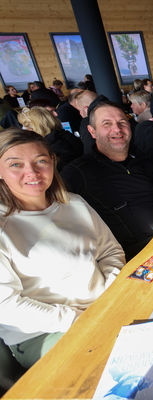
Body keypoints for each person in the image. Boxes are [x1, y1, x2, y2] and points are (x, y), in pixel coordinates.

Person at [0, 128, 124, 368]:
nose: (32, 172)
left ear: (52, 162)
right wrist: (80, 318)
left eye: (41, 161)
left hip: (104, 308)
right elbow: (6, 306)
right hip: (44, 333)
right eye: (16, 164)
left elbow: (110, 252)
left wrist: (110, 292)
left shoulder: (74, 203)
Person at [61, 101, 153, 260]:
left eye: (122, 122)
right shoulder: (77, 172)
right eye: (107, 124)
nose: (117, 129)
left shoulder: (140, 158)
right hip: (132, 259)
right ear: (92, 131)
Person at [17, 107, 82, 171]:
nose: (23, 129)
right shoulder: (64, 135)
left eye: (26, 125)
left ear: (37, 127)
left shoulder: (50, 147)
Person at [73, 90, 99, 154]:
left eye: (79, 110)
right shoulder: (114, 109)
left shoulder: (87, 123)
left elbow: (89, 152)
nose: (80, 113)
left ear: (86, 109)